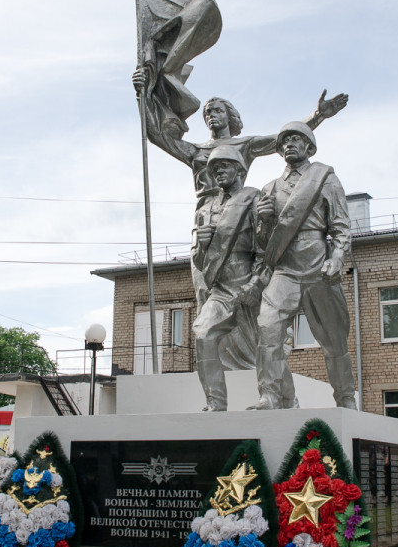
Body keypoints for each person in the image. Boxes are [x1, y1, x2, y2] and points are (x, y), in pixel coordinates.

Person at [132, 64, 347, 369]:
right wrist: (141, 94)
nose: (211, 115)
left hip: (240, 218)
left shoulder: (243, 144)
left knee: (244, 289)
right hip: (206, 219)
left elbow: (283, 139)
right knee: (207, 286)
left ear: (231, 116)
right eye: (207, 112)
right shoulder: (196, 151)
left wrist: (318, 116)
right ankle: (215, 356)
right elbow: (155, 134)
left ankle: (251, 360)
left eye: (217, 109)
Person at [252, 121, 356, 410]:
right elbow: (262, 245)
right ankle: (272, 396)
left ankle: (346, 397)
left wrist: (337, 258)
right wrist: (263, 222)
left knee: (334, 341)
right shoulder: (270, 188)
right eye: (285, 140)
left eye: (297, 139)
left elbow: (341, 227)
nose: (289, 144)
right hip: (284, 270)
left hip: (317, 267)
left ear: (309, 146)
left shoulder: (325, 179)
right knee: (268, 329)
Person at [190, 147, 265, 411]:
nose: (219, 171)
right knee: (203, 333)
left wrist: (256, 282)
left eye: (224, 165)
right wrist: (202, 245)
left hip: (248, 281)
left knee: (267, 344)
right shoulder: (206, 209)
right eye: (214, 168)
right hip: (221, 289)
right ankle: (216, 402)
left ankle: (280, 398)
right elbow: (199, 261)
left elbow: (265, 246)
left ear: (240, 169)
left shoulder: (253, 198)